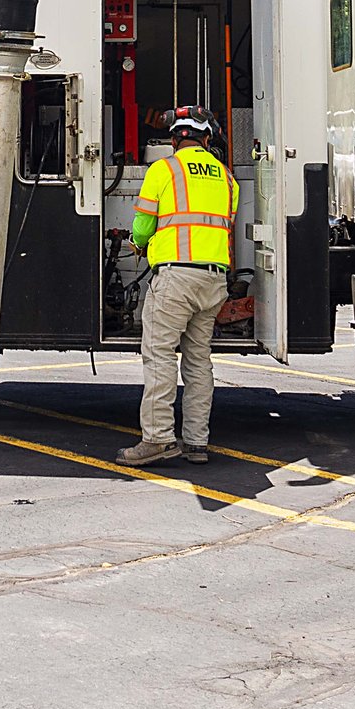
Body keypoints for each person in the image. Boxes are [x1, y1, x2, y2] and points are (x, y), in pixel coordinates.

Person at [115, 107, 239, 468]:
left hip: (175, 279)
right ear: (206, 140)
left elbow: (142, 227)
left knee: (160, 355)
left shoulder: (164, 169)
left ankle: (157, 439)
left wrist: (142, 244)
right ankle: (197, 443)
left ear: (175, 140)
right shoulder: (228, 178)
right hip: (214, 279)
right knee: (199, 361)